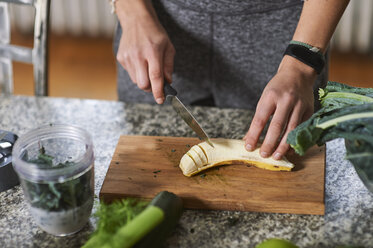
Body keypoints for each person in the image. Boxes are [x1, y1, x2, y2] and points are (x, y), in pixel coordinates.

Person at [112, 0, 349, 160]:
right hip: (154, 22)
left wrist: (301, 62)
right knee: (149, 157)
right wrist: (132, 12)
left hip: (288, 32)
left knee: (279, 151)